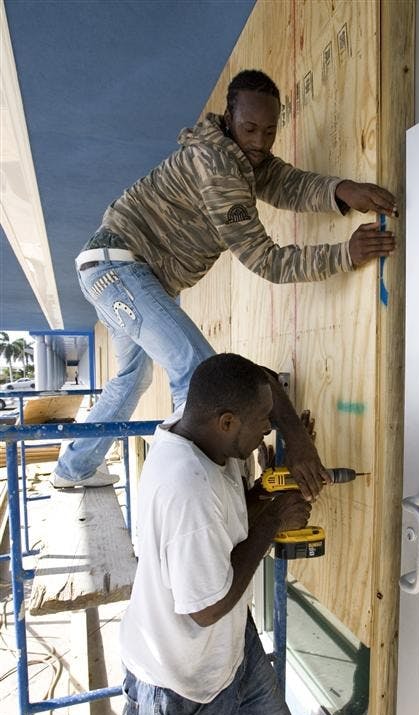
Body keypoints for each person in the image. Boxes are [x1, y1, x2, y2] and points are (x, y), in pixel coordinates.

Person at [51, 68, 397, 498]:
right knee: (199, 376)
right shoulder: (219, 168)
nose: (259, 141)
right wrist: (344, 254)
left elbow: (287, 183)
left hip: (134, 275)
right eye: (250, 128)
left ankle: (74, 466)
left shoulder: (240, 155)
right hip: (119, 271)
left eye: (269, 132)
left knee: (130, 381)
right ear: (229, 117)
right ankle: (206, 498)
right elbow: (264, 259)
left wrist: (341, 190)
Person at [112, 353, 312, 715]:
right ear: (225, 421)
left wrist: (271, 479)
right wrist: (273, 521)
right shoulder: (188, 488)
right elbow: (205, 606)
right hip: (181, 679)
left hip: (229, 650)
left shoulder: (199, 435)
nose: (268, 429)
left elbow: (229, 521)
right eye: (264, 421)